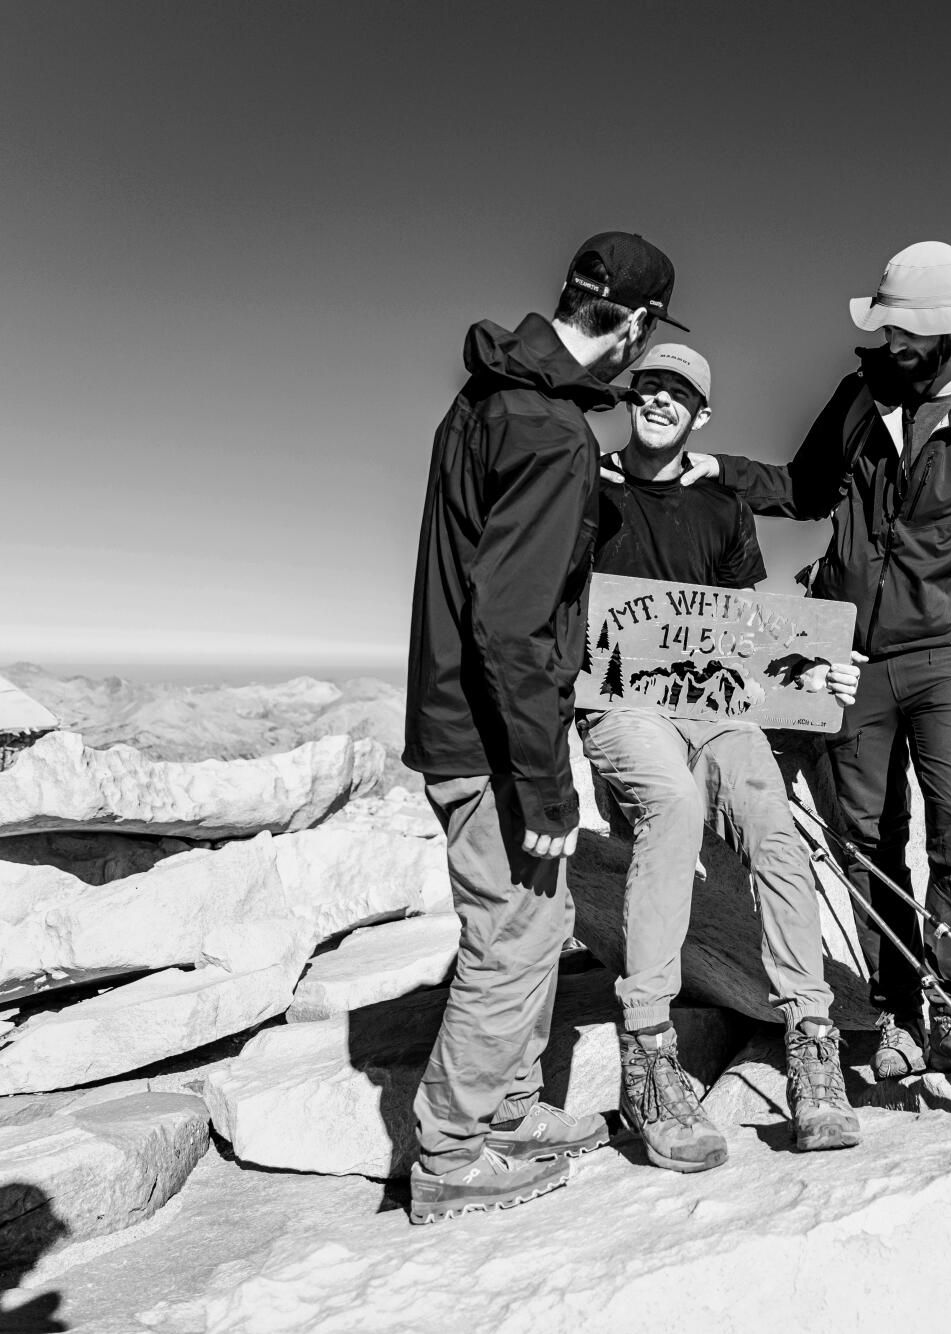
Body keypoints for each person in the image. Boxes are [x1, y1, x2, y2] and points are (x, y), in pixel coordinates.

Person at [676, 241, 951, 1088]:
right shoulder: (860, 397)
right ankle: (896, 1015)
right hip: (847, 653)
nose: (893, 345)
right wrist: (717, 472)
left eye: (909, 332)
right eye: (887, 329)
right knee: (866, 844)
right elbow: (807, 488)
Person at [402, 231, 684, 1224]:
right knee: (512, 933)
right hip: (489, 736)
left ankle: (511, 1108)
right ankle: (451, 1149)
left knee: (543, 917)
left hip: (459, 713)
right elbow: (514, 624)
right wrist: (548, 782)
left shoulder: (491, 396)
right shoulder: (551, 433)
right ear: (635, 325)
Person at [586, 343, 863, 1173]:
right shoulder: (584, 485)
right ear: (631, 397)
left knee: (774, 831)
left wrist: (814, 669)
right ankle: (649, 1050)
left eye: (681, 393)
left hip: (713, 708)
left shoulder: (721, 504)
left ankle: (812, 1042)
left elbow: (740, 628)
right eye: (650, 386)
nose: (661, 400)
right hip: (621, 705)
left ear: (700, 416)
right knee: (671, 808)